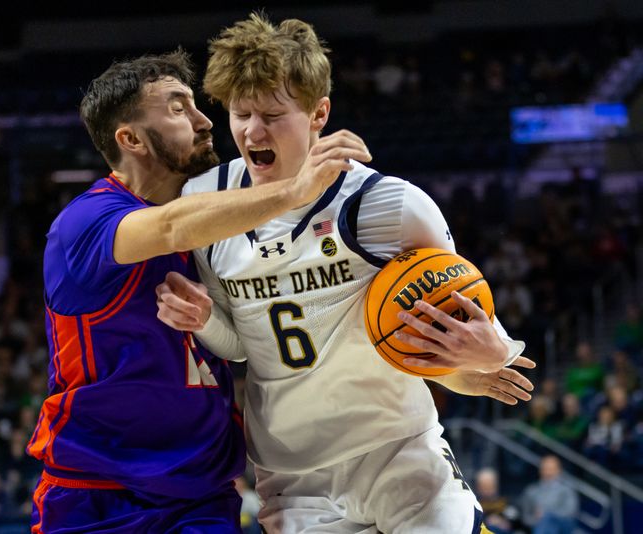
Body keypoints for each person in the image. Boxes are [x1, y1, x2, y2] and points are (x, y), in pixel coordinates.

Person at [156, 14, 535, 533]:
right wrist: (202, 319)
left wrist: (493, 352)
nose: (252, 130)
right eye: (240, 114)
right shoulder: (206, 203)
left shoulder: (388, 204)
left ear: (319, 113)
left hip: (400, 451)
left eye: (272, 114)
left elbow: (458, 334)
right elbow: (241, 348)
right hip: (291, 476)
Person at [25, 49, 371, 533]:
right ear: (130, 139)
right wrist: (295, 190)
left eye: (195, 104)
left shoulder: (227, 224)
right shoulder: (84, 224)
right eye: (177, 109)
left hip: (202, 493)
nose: (204, 121)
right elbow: (169, 229)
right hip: (100, 492)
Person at [520, 455, 579, 533]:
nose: (548, 472)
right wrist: (536, 518)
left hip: (563, 525)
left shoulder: (567, 488)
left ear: (559, 470)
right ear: (540, 470)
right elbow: (525, 518)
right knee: (545, 522)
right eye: (545, 469)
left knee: (548, 518)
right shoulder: (531, 491)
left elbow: (570, 512)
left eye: (551, 469)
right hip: (539, 525)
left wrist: (546, 513)